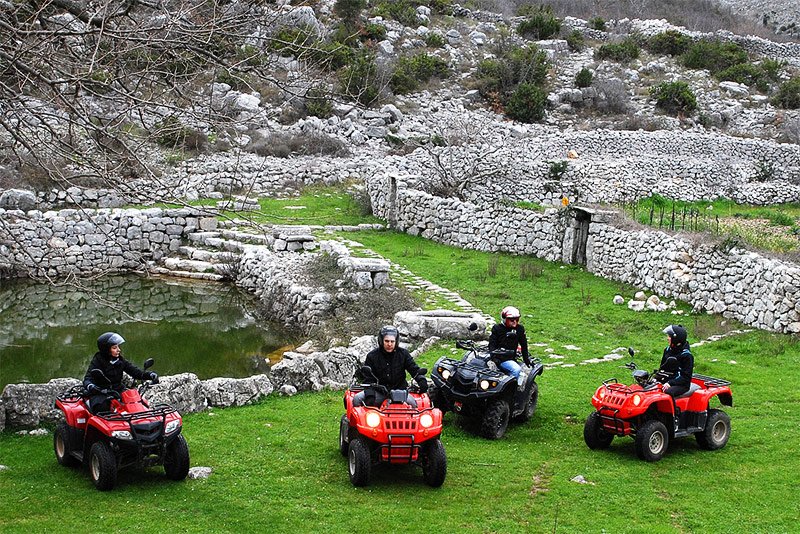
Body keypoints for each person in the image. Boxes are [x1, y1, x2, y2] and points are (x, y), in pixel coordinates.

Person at [83, 332, 157, 414]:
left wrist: (150, 375)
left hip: (118, 390)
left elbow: (136, 372)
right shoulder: (97, 361)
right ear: (106, 350)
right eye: (114, 348)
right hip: (101, 392)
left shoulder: (120, 361)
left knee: (138, 403)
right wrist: (91, 386)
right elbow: (87, 379)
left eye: (118, 347)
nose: (119, 350)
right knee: (102, 408)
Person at [487, 306, 531, 379]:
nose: (515, 322)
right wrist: (494, 358)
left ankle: (513, 388)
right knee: (516, 370)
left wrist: (526, 360)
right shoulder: (497, 328)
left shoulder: (519, 329)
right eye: (511, 320)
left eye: (517, 319)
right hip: (500, 359)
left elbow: (524, 345)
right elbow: (492, 345)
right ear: (504, 319)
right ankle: (508, 387)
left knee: (518, 370)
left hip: (510, 358)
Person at [657, 324, 694, 399]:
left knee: (668, 392)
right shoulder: (667, 350)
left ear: (676, 339)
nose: (667, 338)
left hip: (681, 385)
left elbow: (685, 377)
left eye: (669, 336)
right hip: (668, 380)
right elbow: (662, 367)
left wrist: (670, 383)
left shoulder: (686, 355)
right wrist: (657, 377)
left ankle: (673, 410)